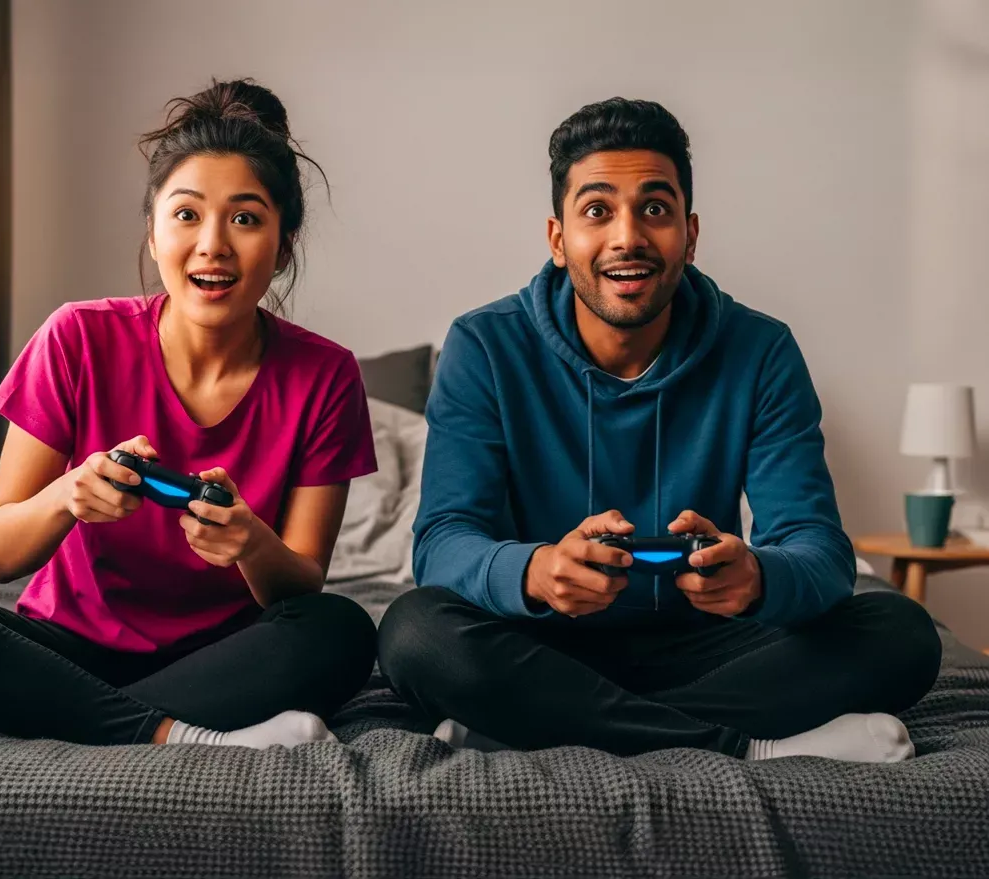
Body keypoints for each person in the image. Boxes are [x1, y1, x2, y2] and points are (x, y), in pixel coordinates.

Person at [377, 98, 942, 762]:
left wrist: (758, 575)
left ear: (690, 233)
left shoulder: (760, 350)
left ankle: (539, 723)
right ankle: (746, 746)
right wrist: (537, 569)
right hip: (538, 641)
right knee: (414, 633)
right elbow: (442, 543)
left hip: (706, 647)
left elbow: (819, 548)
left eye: (654, 208)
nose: (628, 237)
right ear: (558, 239)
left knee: (901, 630)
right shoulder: (485, 346)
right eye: (597, 211)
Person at [0, 79, 379, 750]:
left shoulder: (326, 374)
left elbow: (299, 584)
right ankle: (167, 732)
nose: (213, 243)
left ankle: (23, 719)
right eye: (186, 215)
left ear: (283, 241)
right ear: (153, 233)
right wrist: (69, 494)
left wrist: (250, 543)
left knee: (341, 631)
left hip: (223, 656)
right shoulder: (77, 337)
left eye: (245, 218)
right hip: (64, 647)